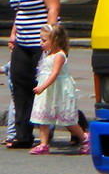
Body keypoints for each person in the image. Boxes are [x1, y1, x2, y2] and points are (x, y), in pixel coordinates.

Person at [7, 0, 60, 149]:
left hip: (42, 44)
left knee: (45, 88)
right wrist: (13, 34)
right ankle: (22, 135)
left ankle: (76, 124)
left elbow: (53, 9)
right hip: (22, 42)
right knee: (20, 85)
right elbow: (19, 11)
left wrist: (49, 40)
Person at [29, 23, 88, 155]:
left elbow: (54, 74)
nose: (41, 43)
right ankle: (43, 144)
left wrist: (42, 87)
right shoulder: (48, 54)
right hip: (48, 90)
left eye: (44, 40)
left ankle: (84, 138)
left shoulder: (59, 56)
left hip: (57, 89)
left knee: (66, 119)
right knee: (43, 116)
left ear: (55, 40)